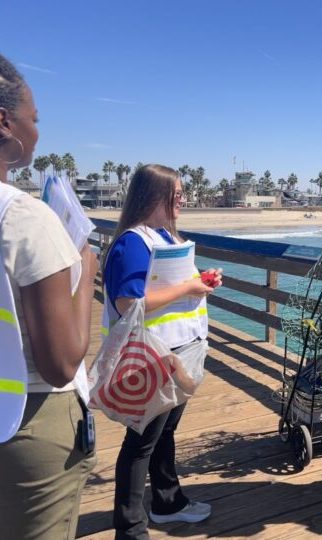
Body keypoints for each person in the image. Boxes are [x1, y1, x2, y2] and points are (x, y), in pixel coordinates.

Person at [0, 54, 98, 539]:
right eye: (34, 119)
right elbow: (60, 363)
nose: (36, 132)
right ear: (5, 122)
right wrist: (86, 269)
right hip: (28, 422)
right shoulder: (24, 217)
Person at [102, 164, 222, 539]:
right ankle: (130, 528)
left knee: (164, 432)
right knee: (140, 443)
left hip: (178, 352)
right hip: (150, 356)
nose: (183, 199)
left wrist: (202, 281)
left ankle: (167, 502)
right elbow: (127, 303)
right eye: (178, 193)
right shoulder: (132, 243)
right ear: (156, 196)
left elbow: (172, 287)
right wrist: (187, 289)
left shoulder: (166, 238)